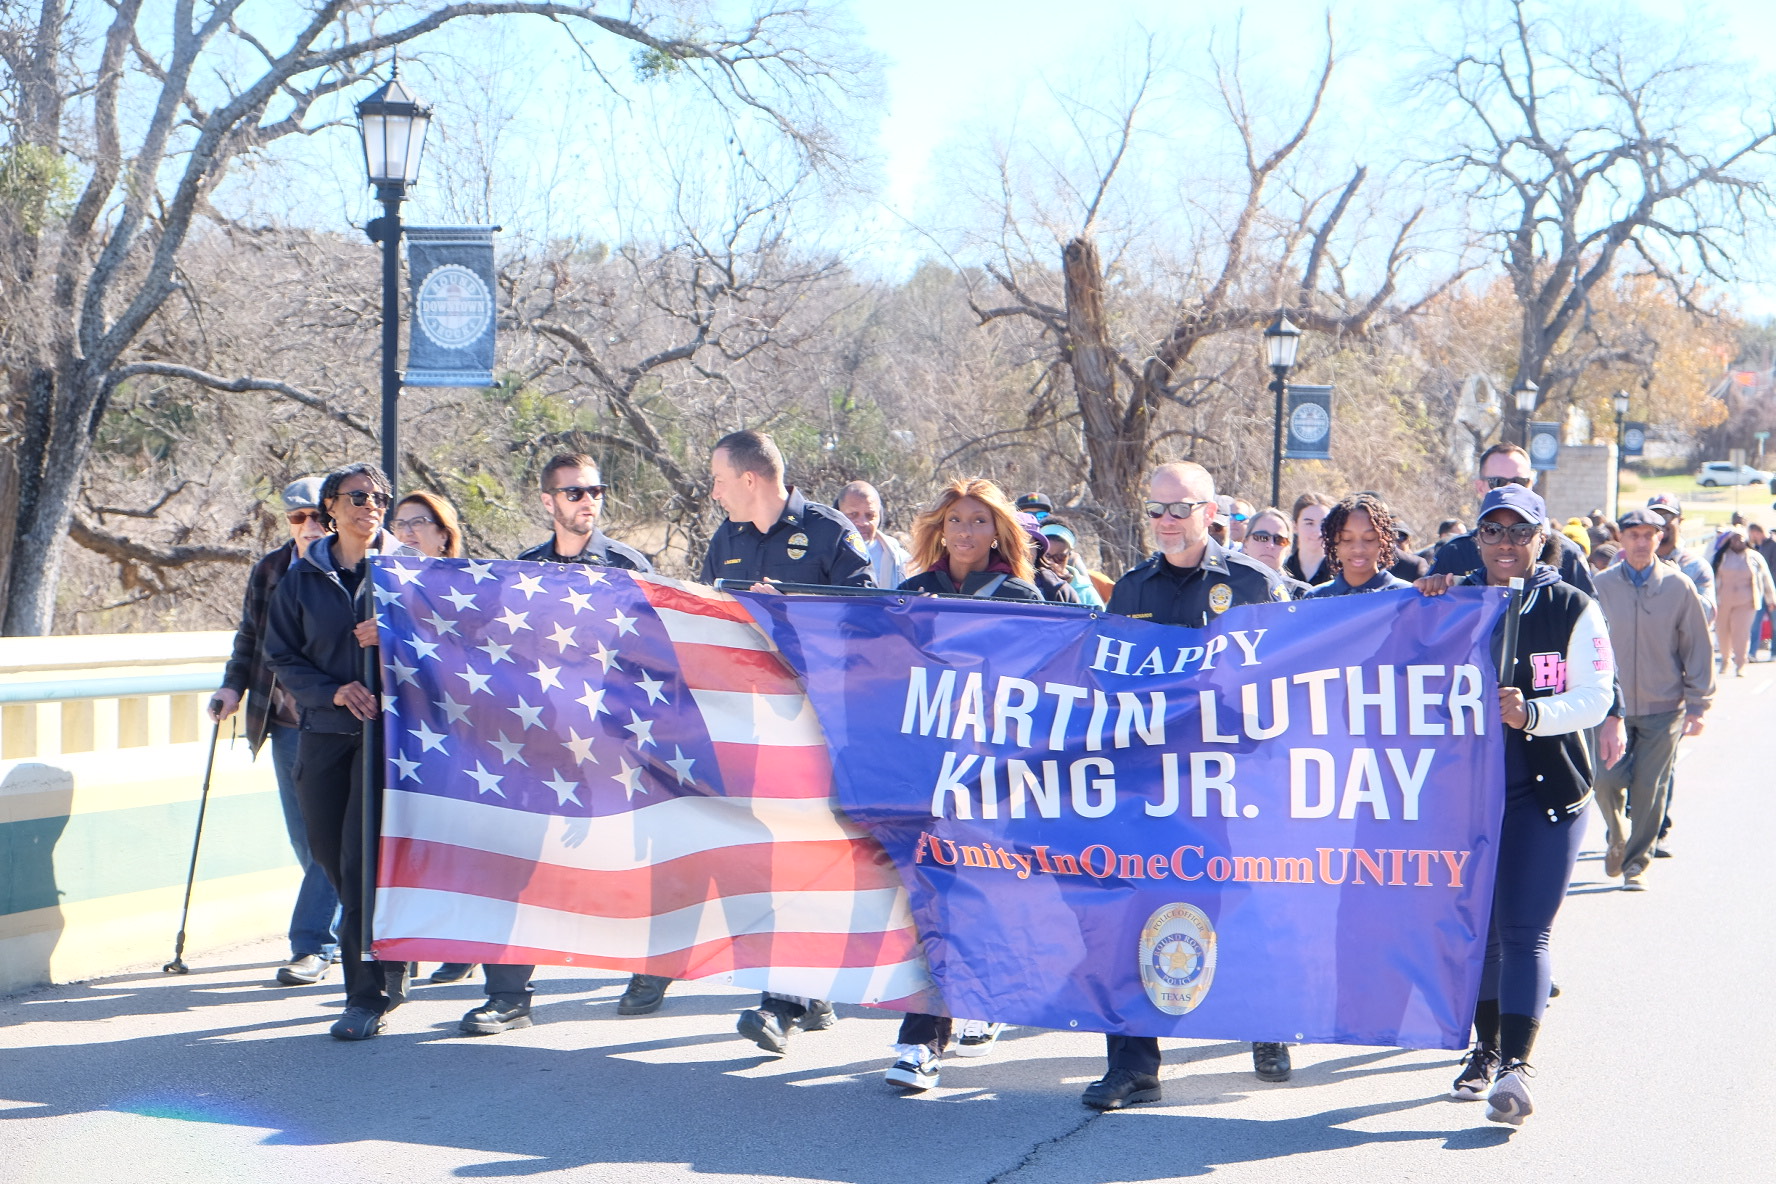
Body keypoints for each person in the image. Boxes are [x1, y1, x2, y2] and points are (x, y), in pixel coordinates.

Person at [1085, 461, 1289, 1110]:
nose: (1166, 522)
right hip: (1151, 784)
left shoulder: (1254, 584)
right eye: (1155, 510)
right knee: (1131, 914)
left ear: (1211, 513)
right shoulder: (1130, 590)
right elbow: (1107, 686)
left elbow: (1290, 677)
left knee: (1243, 909)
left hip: (1233, 781)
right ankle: (1133, 1063)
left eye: (1179, 509)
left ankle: (1266, 1024)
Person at [1416, 485, 1616, 1126]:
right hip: (1465, 796)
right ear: (1478, 539)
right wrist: (1423, 607)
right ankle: (1486, 1049)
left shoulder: (1572, 606)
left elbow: (1595, 697)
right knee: (1483, 935)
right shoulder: (1455, 602)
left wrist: (1532, 713)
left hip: (1548, 793)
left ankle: (1516, 1070)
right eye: (1494, 532)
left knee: (1525, 931)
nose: (1507, 543)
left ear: (1542, 537)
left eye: (1520, 532)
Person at [699, 430, 872, 1053]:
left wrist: (793, 612)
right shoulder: (726, 539)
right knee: (771, 857)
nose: (713, 492)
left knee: (802, 853)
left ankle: (782, 1001)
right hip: (753, 723)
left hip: (819, 721)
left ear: (750, 479)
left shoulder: (827, 534)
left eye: (719, 479)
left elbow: (868, 622)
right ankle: (811, 991)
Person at [883, 479, 1045, 1090]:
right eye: (956, 521)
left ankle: (982, 998)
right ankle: (921, 1041)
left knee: (985, 897)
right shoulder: (913, 594)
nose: (966, 532)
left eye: (979, 521)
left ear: (997, 530)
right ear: (940, 528)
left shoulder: (1021, 597)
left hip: (993, 774)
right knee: (933, 900)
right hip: (927, 773)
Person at [263, 464, 422, 1040]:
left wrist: (397, 635)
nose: (371, 505)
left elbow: (452, 643)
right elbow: (279, 653)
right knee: (328, 856)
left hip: (390, 741)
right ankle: (392, 954)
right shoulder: (301, 577)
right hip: (323, 734)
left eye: (379, 497)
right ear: (331, 506)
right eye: (357, 497)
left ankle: (366, 995)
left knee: (358, 864)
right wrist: (332, 689)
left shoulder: (410, 570)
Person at [209, 477, 342, 988]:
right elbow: (250, 637)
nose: (308, 527)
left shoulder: (347, 568)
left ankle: (312, 944)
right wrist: (231, 689)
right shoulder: (271, 569)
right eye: (296, 518)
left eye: (316, 517)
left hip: (335, 722)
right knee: (306, 839)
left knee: (328, 836)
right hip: (281, 721)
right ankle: (353, 923)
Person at [1589, 508, 1713, 891]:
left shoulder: (1678, 587)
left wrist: (1698, 704)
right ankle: (1618, 834)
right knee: (1605, 780)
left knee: (1650, 788)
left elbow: (1696, 647)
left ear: (1660, 539)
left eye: (1649, 535)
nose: (1641, 542)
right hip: (1612, 709)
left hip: (1665, 706)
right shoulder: (1600, 586)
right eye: (1634, 535)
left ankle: (1636, 864)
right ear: (1622, 540)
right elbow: (1586, 646)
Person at [1431, 444, 1594, 594]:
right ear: (1480, 487)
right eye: (1498, 482)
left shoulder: (1567, 554)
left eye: (1519, 482)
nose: (1510, 489)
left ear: (1530, 485)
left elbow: (1588, 616)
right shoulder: (1455, 553)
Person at [516, 454, 652, 571]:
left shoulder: (630, 567)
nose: (589, 500)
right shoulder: (526, 566)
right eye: (574, 493)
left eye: (595, 491)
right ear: (548, 502)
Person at [1304, 493, 1413, 597]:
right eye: (1347, 539)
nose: (1358, 549)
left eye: (1369, 539)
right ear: (1333, 542)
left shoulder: (1406, 596)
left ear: (1383, 540)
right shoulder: (1316, 598)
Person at [1710, 526, 1775, 677]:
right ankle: (1726, 661)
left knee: (1741, 633)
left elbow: (1766, 578)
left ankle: (1740, 664)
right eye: (1734, 538)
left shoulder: (1754, 557)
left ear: (1745, 540)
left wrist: (1771, 599)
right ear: (1729, 540)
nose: (1737, 541)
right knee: (1723, 633)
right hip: (1723, 602)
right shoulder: (1721, 557)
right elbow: (1710, 577)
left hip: (1746, 603)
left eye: (1740, 538)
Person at [837, 480, 911, 591]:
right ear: (838, 514)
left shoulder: (900, 560)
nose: (862, 522)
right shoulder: (823, 555)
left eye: (870, 515)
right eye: (853, 514)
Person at [1240, 507, 1313, 597]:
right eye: (1262, 537)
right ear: (1245, 543)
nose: (1270, 545)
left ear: (1288, 549)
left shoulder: (1301, 595)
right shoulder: (1227, 585)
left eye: (1279, 540)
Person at [1039, 518, 1107, 607]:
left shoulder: (1084, 590)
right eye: (1046, 556)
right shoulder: (1029, 584)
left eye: (1059, 557)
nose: (1052, 563)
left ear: (1069, 555)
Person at [1283, 492, 1335, 586]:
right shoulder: (1282, 572)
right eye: (1309, 523)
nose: (1318, 531)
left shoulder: (1341, 573)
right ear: (1294, 526)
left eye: (1324, 523)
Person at [1747, 523, 1776, 660]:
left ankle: (1774, 653)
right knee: (1755, 623)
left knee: (1775, 623)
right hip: (1759, 591)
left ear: (1755, 532)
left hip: (1771, 590)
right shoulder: (1757, 547)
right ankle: (1752, 653)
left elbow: (1773, 570)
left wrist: (1772, 594)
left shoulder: (1773, 544)